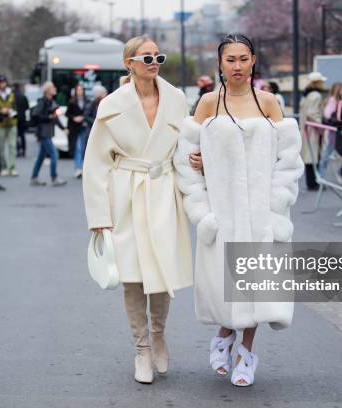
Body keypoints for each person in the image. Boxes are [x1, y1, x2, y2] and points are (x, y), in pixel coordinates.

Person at [174, 33, 303, 387]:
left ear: (253, 60)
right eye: (230, 59)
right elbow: (185, 160)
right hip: (222, 213)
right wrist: (202, 209)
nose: (237, 66)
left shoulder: (269, 104)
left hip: (263, 214)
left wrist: (277, 205)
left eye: (243, 58)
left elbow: (289, 161)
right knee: (225, 286)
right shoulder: (206, 104)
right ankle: (223, 335)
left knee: (256, 288)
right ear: (220, 64)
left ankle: (245, 352)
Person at [83, 36, 193, 385]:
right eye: (146, 57)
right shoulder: (111, 105)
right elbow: (96, 164)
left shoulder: (176, 99)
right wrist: (100, 219)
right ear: (128, 62)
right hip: (125, 194)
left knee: (161, 273)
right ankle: (142, 348)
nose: (154, 62)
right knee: (131, 276)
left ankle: (159, 334)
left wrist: (197, 173)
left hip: (163, 192)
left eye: (158, 56)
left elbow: (185, 148)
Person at [29, 82, 67, 187]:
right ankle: (54, 177)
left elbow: (55, 118)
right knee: (54, 154)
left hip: (48, 132)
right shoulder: (42, 102)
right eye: (53, 87)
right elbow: (36, 115)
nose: (55, 89)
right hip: (43, 132)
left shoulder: (51, 102)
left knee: (41, 157)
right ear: (47, 90)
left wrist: (63, 128)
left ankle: (34, 177)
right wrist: (49, 117)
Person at [299, 72, 326, 190]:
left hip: (306, 128)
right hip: (312, 129)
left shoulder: (307, 95)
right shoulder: (316, 95)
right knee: (313, 156)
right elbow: (313, 113)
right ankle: (313, 182)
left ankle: (312, 182)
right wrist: (320, 127)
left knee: (309, 156)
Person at [74, 84, 106, 179]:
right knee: (85, 150)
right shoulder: (92, 103)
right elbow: (86, 116)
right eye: (103, 93)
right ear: (99, 95)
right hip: (91, 131)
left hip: (100, 131)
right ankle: (84, 169)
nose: (106, 94)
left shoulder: (103, 102)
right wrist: (96, 121)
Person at [0, 75, 19, 177]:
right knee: (0, 147)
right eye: (1, 82)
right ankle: (3, 166)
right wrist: (0, 111)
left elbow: (16, 106)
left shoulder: (11, 93)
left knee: (12, 146)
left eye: (4, 82)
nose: (3, 84)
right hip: (0, 123)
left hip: (11, 122)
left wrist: (12, 111)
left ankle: (12, 167)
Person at [318, 82, 342, 179]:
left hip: (337, 129)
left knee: (341, 152)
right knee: (329, 151)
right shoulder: (333, 100)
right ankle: (321, 175)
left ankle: (341, 174)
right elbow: (328, 115)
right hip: (334, 130)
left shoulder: (336, 100)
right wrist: (338, 118)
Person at [66, 84, 87, 170]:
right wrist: (74, 118)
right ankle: (78, 168)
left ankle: (83, 168)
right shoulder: (72, 101)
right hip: (75, 127)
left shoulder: (87, 101)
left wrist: (83, 117)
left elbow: (89, 112)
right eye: (78, 90)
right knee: (78, 148)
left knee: (83, 148)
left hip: (84, 126)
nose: (79, 91)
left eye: (81, 90)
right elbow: (67, 113)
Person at [13, 82, 29, 158]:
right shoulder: (23, 96)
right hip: (22, 117)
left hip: (14, 117)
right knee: (22, 135)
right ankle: (23, 149)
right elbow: (27, 107)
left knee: (15, 135)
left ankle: (18, 149)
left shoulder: (12, 96)